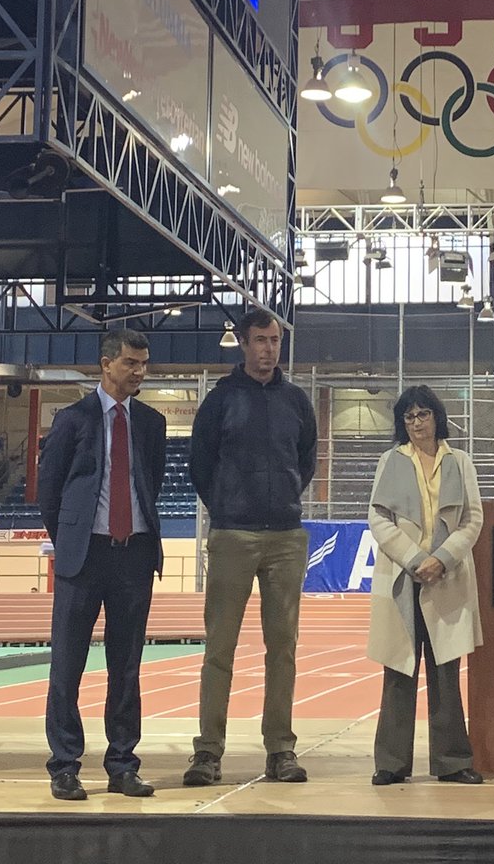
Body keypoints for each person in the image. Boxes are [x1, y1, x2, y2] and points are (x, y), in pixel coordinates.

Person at [183, 309, 317, 786]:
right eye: (260, 340)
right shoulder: (220, 401)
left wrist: (282, 501)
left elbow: (305, 461)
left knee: (283, 649)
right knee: (219, 648)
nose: (269, 349)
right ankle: (207, 752)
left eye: (275, 340)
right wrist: (228, 506)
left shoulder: (297, 401)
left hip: (286, 537)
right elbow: (200, 464)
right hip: (232, 535)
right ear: (243, 343)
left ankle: (280, 750)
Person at [38, 329, 166, 800]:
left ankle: (122, 764)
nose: (139, 372)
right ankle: (64, 765)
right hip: (84, 556)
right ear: (106, 363)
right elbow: (48, 492)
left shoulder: (151, 423)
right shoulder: (72, 419)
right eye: (131, 362)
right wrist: (72, 541)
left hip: (134, 555)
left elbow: (150, 481)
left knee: (126, 667)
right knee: (67, 665)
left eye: (144, 363)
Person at [367, 384, 484, 786]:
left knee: (446, 672)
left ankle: (453, 762)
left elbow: (473, 519)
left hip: (446, 577)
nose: (417, 423)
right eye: (409, 416)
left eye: (423, 414)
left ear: (437, 417)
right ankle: (390, 763)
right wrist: (416, 560)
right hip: (403, 577)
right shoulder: (390, 461)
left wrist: (442, 559)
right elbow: (378, 518)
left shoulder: (460, 462)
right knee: (398, 670)